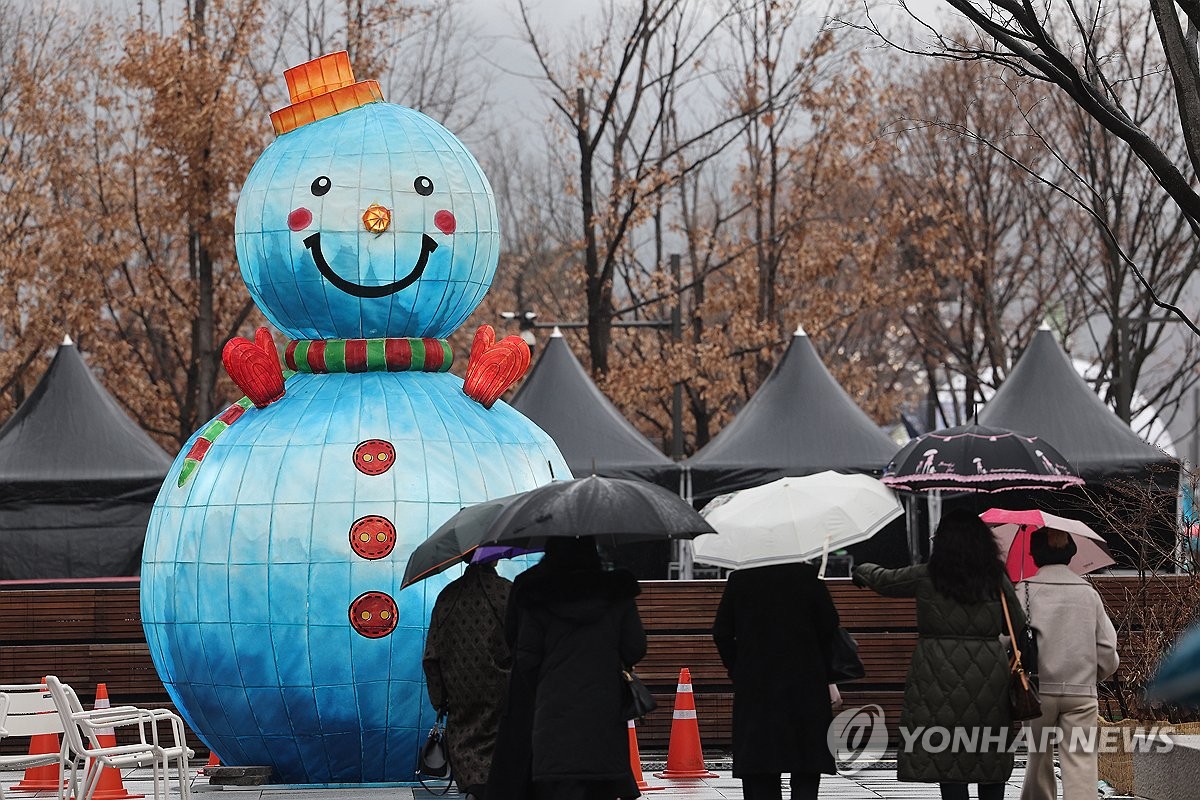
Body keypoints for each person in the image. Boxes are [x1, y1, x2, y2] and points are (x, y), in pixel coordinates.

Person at [853, 509, 1025, 800]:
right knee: (990, 752)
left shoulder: (928, 576)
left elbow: (885, 579)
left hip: (937, 672)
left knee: (949, 756)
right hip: (989, 673)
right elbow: (1018, 624)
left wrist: (860, 568)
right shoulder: (995, 578)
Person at [491, 536, 647, 800]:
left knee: (558, 787)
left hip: (552, 717)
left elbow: (526, 658)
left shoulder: (536, 595)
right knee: (601, 787)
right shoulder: (616, 593)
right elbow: (635, 648)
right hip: (604, 714)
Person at [711, 561, 841, 800]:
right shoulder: (809, 576)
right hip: (805, 683)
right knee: (806, 763)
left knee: (760, 768)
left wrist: (738, 670)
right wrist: (827, 677)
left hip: (756, 685)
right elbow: (829, 628)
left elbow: (721, 633)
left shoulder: (741, 579)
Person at [1019, 529, 1119, 800]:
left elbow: (1006, 640)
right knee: (1080, 762)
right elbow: (1109, 652)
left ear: (1033, 554)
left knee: (1038, 757)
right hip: (1081, 693)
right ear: (1071, 553)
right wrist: (1090, 676)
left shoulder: (1024, 590)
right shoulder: (1088, 594)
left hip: (1037, 691)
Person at [422, 560, 513, 800]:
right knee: (504, 763)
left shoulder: (447, 598)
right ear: (494, 556)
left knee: (472, 767)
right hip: (505, 700)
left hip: (462, 701)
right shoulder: (507, 592)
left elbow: (432, 657)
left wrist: (440, 701)